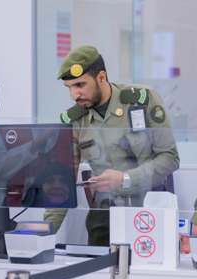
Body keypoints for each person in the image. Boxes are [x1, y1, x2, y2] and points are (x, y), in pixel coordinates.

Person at [44, 45, 180, 245]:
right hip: (105, 214)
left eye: (80, 85)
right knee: (96, 262)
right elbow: (63, 180)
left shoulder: (142, 101)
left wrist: (125, 179)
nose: (74, 95)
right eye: (69, 87)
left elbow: (170, 158)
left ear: (101, 77)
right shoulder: (76, 120)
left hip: (149, 209)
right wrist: (43, 235)